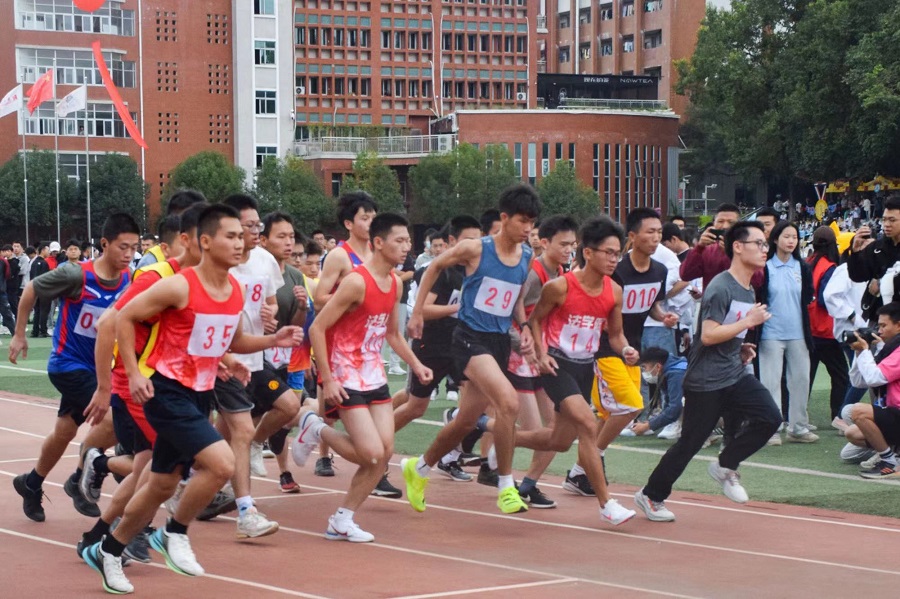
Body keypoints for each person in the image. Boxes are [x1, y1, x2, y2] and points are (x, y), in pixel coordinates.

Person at [82, 204, 302, 593]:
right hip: (165, 391)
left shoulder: (233, 290)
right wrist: (133, 373)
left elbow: (232, 339)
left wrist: (271, 340)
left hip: (200, 393)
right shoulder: (179, 285)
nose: (240, 243)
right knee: (221, 463)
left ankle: (108, 550)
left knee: (161, 484)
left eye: (242, 236)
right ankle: (174, 532)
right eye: (231, 236)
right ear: (205, 241)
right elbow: (122, 318)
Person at [76, 202, 206, 562]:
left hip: (168, 383)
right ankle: (135, 532)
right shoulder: (156, 278)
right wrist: (106, 387)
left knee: (149, 465)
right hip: (139, 384)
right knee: (173, 464)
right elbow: (107, 324)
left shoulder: (203, 282)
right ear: (185, 241)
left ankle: (99, 536)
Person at [402, 183, 540, 515]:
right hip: (469, 338)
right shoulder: (476, 249)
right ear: (504, 218)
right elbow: (434, 267)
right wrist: (417, 312)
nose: (528, 229)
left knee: (466, 420)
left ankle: (418, 468)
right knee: (508, 402)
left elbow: (516, 297)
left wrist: (524, 327)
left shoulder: (526, 255)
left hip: (498, 341)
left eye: (532, 223)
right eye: (522, 221)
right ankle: (506, 486)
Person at [296, 212, 432, 542]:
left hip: (374, 376)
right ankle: (315, 427)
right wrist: (328, 378)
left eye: (409, 241)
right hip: (345, 374)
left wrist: (416, 364)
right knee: (370, 454)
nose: (407, 247)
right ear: (379, 243)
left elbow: (392, 334)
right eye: (400, 240)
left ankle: (342, 519)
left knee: (383, 454)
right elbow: (317, 328)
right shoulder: (356, 282)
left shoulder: (395, 283)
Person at [634, 222, 782, 521]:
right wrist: (747, 322)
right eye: (758, 243)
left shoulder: (748, 288)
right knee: (689, 443)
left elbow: (726, 332)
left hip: (734, 373)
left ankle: (726, 465)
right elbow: (709, 335)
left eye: (766, 244)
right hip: (706, 381)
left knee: (770, 418)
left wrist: (740, 346)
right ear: (737, 247)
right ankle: (650, 495)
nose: (765, 249)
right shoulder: (720, 286)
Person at [10, 214, 140, 523]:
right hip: (68, 364)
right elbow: (31, 289)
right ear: (104, 244)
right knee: (113, 418)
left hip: (99, 368)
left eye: (134, 248)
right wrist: (19, 334)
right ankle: (81, 476)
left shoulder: (130, 278)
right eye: (122, 247)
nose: (128, 254)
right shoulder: (76, 275)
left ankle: (32, 483)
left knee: (65, 430)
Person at [515, 216, 636, 525]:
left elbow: (616, 336)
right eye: (608, 252)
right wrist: (541, 354)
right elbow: (535, 320)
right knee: (588, 424)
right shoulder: (559, 287)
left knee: (559, 441)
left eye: (618, 253)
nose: (614, 259)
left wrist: (626, 350)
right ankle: (606, 504)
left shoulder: (614, 292)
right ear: (588, 252)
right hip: (557, 364)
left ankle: (500, 434)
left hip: (585, 368)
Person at [570, 208, 675, 497]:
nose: (656, 238)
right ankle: (596, 456)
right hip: (604, 348)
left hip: (632, 350)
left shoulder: (660, 271)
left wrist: (663, 316)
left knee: (609, 414)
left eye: (659, 232)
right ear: (632, 236)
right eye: (650, 232)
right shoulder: (616, 270)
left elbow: (651, 305)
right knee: (632, 404)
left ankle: (579, 472)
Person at [210, 194, 297, 538]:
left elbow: (271, 303)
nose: (255, 231)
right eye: (248, 226)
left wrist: (271, 318)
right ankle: (246, 511)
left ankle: (196, 481)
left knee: (281, 409)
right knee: (241, 431)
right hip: (223, 362)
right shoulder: (219, 266)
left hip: (254, 357)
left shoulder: (264, 260)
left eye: (257, 224)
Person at [389, 216, 482, 484]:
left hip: (461, 345)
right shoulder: (440, 270)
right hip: (430, 345)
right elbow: (424, 311)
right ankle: (376, 442)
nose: (474, 246)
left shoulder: (474, 270)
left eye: (478, 241)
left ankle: (450, 456)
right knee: (415, 406)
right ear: (452, 241)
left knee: (475, 405)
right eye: (468, 240)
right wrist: (458, 308)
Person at [259, 211, 312, 493]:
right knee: (278, 409)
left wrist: (302, 306)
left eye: (291, 236)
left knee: (287, 413)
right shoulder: (255, 272)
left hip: (287, 356)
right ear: (264, 240)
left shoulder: (295, 276)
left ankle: (279, 466)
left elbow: (295, 325)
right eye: (281, 236)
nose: (289, 242)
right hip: (257, 353)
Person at [758, 221, 817, 444]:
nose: (791, 241)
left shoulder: (802, 267)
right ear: (775, 239)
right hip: (770, 333)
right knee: (770, 382)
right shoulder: (765, 267)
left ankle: (798, 427)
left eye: (794, 237)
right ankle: (771, 429)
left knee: (800, 380)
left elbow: (808, 295)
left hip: (798, 333)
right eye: (786, 236)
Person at [843, 302, 900, 478]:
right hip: (893, 413)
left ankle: (890, 461)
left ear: (898, 325)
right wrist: (859, 353)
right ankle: (893, 452)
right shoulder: (889, 349)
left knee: (858, 411)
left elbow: (874, 378)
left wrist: (866, 350)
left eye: (883, 326)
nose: (879, 331)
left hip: (896, 412)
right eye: (878, 326)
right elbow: (858, 382)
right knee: (852, 432)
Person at [807, 226, 851, 424]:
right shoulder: (830, 267)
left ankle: (795, 416)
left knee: (806, 376)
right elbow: (827, 300)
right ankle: (838, 415)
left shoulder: (807, 262)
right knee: (841, 376)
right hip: (826, 331)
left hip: (808, 328)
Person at [848, 196, 900, 322]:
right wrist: (855, 253)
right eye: (884, 219)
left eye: (892, 220)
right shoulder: (876, 247)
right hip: (878, 318)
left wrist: (882, 283)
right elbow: (857, 276)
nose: (886, 224)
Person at [628, 347, 687, 439]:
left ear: (658, 366)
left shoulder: (676, 374)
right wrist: (650, 423)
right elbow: (668, 402)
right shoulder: (668, 369)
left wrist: (648, 426)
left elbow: (675, 407)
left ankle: (683, 425)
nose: (644, 371)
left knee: (682, 401)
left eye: (644, 367)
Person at [29, 242, 51, 337]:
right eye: (48, 250)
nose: (49, 252)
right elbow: (45, 278)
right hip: (43, 290)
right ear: (43, 250)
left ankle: (35, 331)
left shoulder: (34, 262)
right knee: (44, 310)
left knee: (37, 310)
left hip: (34, 289)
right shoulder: (44, 263)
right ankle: (43, 331)